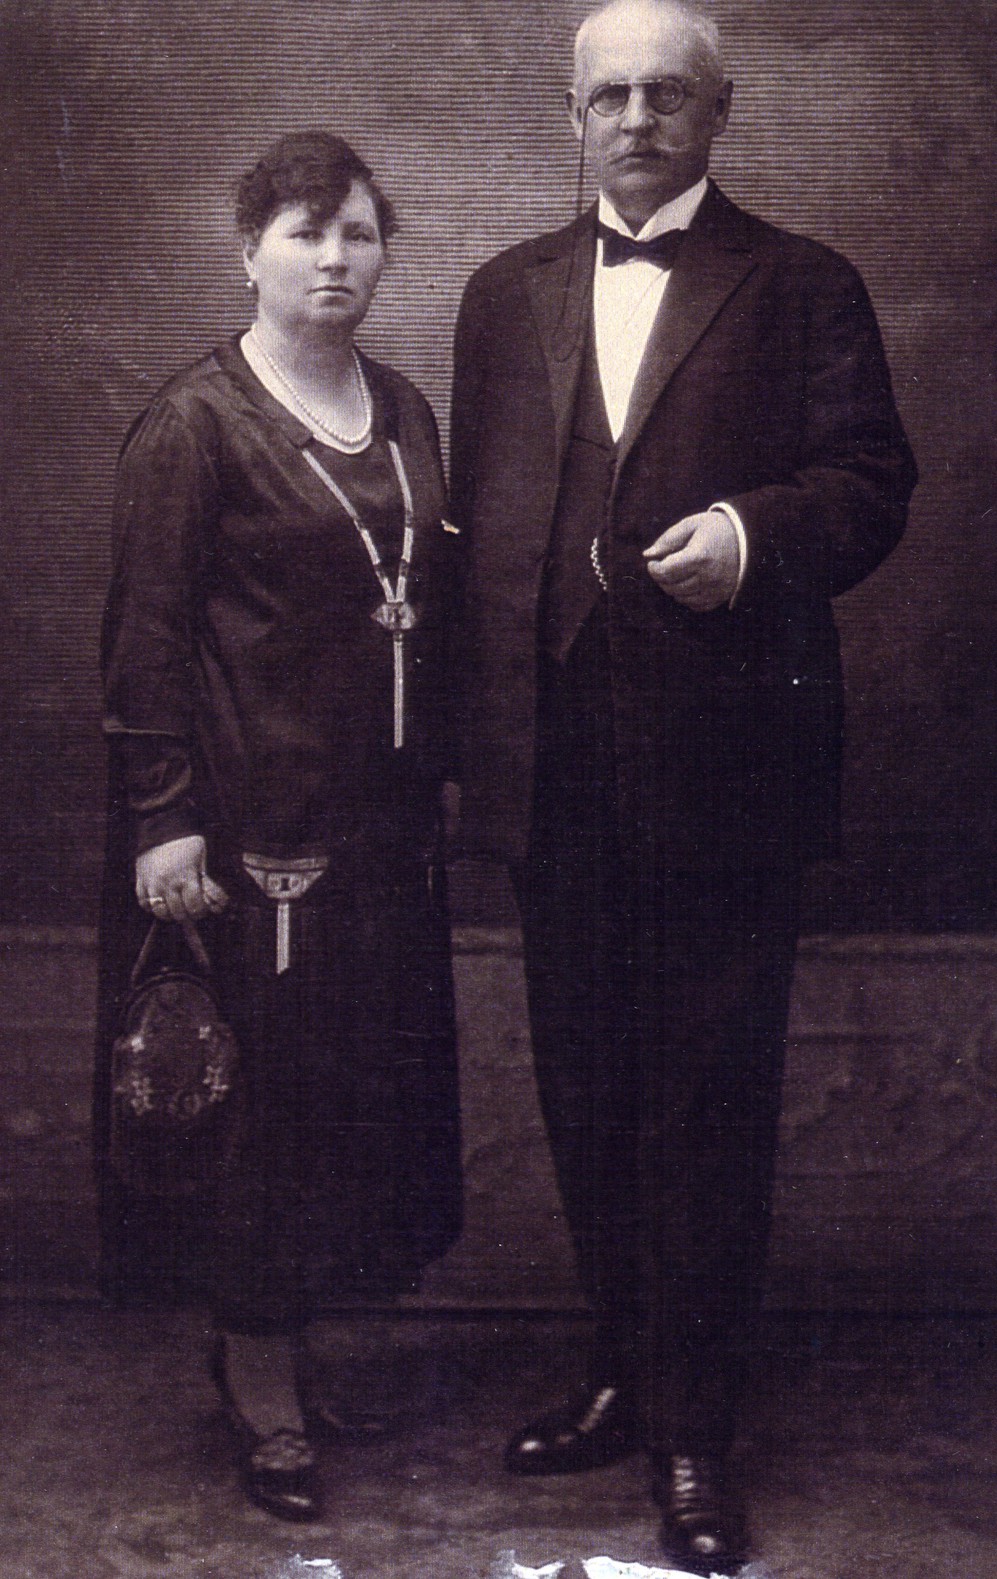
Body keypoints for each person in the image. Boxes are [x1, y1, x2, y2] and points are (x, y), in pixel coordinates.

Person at [450, 2, 917, 1570]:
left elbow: (873, 485)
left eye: (667, 94)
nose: (637, 119)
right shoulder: (501, 293)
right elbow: (480, 534)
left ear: (720, 113)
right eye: (611, 96)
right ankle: (624, 1376)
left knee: (707, 1104)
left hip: (725, 774)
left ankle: (697, 1434)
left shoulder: (804, 281)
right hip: (549, 771)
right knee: (586, 1090)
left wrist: (751, 536)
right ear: (573, 116)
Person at [96, 130, 462, 1523]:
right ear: (245, 250)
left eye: (359, 233)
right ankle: (258, 1378)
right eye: (305, 233)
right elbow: (144, 639)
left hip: (379, 830)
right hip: (247, 837)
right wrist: (164, 821)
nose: (334, 258)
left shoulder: (405, 409)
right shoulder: (194, 424)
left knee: (352, 1094)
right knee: (263, 1107)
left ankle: (293, 1346)